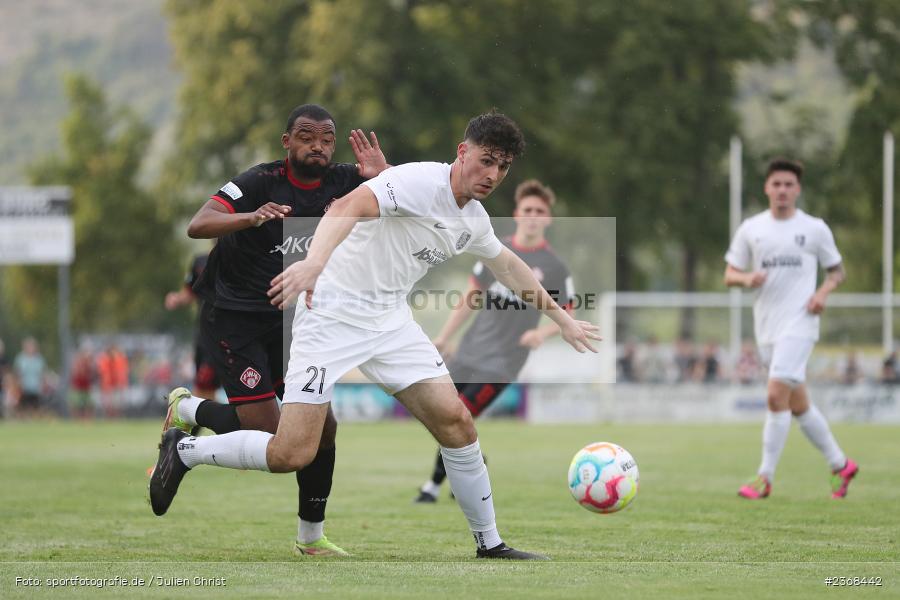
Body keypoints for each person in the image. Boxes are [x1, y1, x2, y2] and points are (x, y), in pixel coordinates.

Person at [150, 110, 600, 560]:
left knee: (457, 422)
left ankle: (491, 543)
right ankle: (187, 450)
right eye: (486, 160)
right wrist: (313, 263)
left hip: (390, 323)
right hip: (329, 313)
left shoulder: (474, 219)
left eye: (502, 166)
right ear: (462, 153)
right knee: (291, 452)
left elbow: (509, 266)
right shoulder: (417, 181)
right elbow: (347, 207)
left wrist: (561, 318)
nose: (493, 174)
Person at [156, 103, 389, 557]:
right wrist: (250, 217)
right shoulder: (259, 182)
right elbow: (197, 224)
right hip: (233, 318)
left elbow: (414, 207)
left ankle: (311, 538)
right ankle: (189, 414)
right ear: (287, 141)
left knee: (321, 431)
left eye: (326, 138)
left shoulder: (345, 181)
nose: (317, 145)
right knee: (272, 438)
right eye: (306, 136)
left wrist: (384, 175)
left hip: (294, 322)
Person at [413, 178, 574, 503]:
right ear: (517, 213)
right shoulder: (495, 249)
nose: (532, 215)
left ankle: (431, 487)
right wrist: (445, 337)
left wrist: (540, 333)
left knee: (462, 414)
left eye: (539, 211)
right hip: (470, 349)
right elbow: (471, 297)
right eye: (527, 209)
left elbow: (568, 313)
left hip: (504, 361)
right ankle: (474, 464)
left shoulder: (554, 267)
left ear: (548, 219)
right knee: (441, 415)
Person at [724, 158, 858, 499]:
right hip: (767, 327)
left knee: (774, 395)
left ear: (797, 189)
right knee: (798, 405)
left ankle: (764, 478)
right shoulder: (752, 229)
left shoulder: (814, 228)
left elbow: (837, 271)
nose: (782, 190)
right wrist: (746, 277)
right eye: (776, 184)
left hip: (801, 324)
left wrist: (822, 293)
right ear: (767, 188)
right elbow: (729, 274)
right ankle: (840, 464)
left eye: (788, 184)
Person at [165, 252, 220, 401]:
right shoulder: (200, 261)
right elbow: (190, 292)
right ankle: (205, 419)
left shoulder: (239, 255)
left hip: (224, 331)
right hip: (203, 331)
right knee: (205, 384)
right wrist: (177, 299)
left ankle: (187, 415)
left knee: (206, 379)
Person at [13, 337, 47, 417]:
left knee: (36, 406)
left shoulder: (39, 359)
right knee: (23, 406)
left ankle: (34, 420)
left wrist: (43, 385)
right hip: (24, 386)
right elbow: (17, 373)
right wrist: (17, 384)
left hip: (36, 387)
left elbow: (42, 373)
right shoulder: (21, 358)